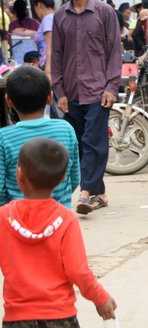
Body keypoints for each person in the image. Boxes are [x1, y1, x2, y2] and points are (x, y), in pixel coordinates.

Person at [0, 137, 116, 327]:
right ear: (63, 178)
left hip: (17, 318)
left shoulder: (4, 217)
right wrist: (99, 297)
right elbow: (78, 270)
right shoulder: (66, 219)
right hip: (60, 317)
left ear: (19, 174)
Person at [52, 0, 121, 215]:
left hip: (98, 90)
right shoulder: (60, 16)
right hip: (70, 93)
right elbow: (56, 55)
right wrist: (58, 90)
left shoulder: (104, 12)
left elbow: (114, 51)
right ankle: (100, 194)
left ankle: (84, 192)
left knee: (94, 142)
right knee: (81, 144)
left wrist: (111, 87)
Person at [0, 66, 79, 208]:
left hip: (16, 221)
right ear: (49, 97)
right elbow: (74, 177)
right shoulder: (66, 129)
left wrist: (10, 210)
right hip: (58, 216)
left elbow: (0, 189)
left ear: (8, 101)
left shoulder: (3, 137)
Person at [11, 0, 55, 79]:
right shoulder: (54, 17)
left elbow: (50, 46)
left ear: (38, 5)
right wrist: (23, 31)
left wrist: (48, 71)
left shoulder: (47, 19)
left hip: (49, 64)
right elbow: (40, 35)